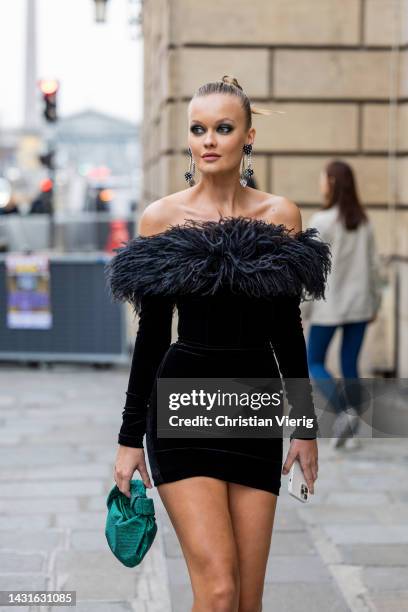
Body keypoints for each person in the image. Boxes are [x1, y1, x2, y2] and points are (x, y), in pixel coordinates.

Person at [106, 75, 331, 612]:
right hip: (183, 405)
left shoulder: (280, 216)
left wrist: (303, 428)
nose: (208, 140)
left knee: (248, 600)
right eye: (199, 129)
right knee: (219, 589)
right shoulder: (161, 220)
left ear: (248, 137)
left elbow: (286, 331)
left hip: (253, 406)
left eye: (222, 128)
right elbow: (153, 338)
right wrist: (128, 436)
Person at [302, 160, 382, 450]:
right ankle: (352, 421)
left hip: (328, 307)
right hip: (359, 305)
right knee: (350, 364)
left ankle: (343, 412)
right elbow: (375, 268)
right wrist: (374, 303)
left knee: (313, 362)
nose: (321, 184)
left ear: (332, 183)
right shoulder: (364, 222)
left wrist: (303, 309)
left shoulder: (321, 222)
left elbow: (310, 272)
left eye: (323, 179)